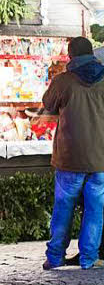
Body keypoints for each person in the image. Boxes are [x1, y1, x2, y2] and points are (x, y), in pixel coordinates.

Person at [41, 36, 104, 271]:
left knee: (63, 209)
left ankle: (56, 256)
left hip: (69, 157)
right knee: (95, 210)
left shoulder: (63, 81)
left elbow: (48, 104)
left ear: (70, 56)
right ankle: (89, 258)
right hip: (100, 158)